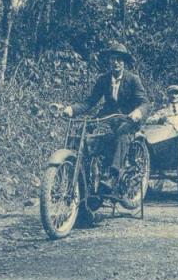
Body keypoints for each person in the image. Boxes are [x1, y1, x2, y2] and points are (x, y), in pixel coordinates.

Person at [61, 42, 150, 181]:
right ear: (109, 61)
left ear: (124, 62)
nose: (116, 63)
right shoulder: (103, 79)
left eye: (119, 59)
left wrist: (138, 112)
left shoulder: (133, 79)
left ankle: (112, 175)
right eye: (113, 59)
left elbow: (145, 103)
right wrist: (71, 109)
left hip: (128, 120)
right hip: (108, 119)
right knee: (84, 130)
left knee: (122, 134)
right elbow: (90, 102)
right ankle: (83, 173)